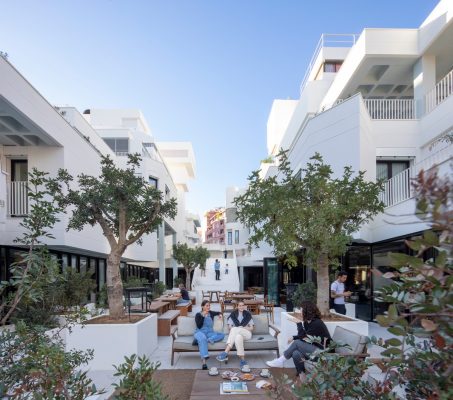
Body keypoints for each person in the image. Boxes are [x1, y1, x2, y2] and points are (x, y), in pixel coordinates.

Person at [266, 302, 331, 377]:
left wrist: (299, 324)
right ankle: (301, 374)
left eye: (301, 310)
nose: (300, 312)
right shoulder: (307, 322)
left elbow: (304, 338)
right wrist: (294, 337)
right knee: (296, 353)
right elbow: (306, 336)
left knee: (297, 342)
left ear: (307, 311)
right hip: (313, 349)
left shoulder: (317, 323)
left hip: (323, 353)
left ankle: (280, 361)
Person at [216, 301, 254, 368]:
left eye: (243, 305)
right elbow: (230, 327)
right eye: (240, 305)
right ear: (237, 306)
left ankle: (225, 352)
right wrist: (237, 329)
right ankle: (243, 361)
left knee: (234, 329)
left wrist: (242, 328)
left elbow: (251, 328)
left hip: (247, 333)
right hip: (237, 334)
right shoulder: (233, 314)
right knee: (238, 337)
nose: (241, 307)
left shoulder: (248, 314)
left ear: (244, 306)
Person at [193, 300, 224, 370]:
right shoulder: (198, 314)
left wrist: (220, 314)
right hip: (200, 332)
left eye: (209, 305)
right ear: (202, 306)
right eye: (207, 306)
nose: (208, 307)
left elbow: (219, 312)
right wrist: (203, 316)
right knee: (203, 338)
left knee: (221, 334)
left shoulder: (211, 313)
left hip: (209, 333)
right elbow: (199, 326)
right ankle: (204, 363)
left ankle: (207, 340)